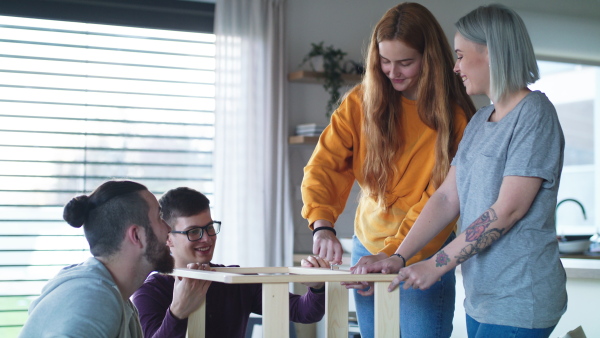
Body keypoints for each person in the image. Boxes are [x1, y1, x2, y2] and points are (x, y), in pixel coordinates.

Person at [355, 4, 567, 338]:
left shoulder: (534, 114)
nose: (455, 68)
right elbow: (446, 198)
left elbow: (507, 209)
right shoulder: (481, 121)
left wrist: (437, 264)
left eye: (461, 56)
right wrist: (399, 256)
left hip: (521, 297)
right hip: (482, 298)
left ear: (492, 54)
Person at [301, 3, 476, 337]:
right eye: (385, 61)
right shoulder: (360, 101)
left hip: (422, 248)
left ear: (430, 58)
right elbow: (326, 165)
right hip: (367, 247)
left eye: (405, 62)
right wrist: (321, 224)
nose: (393, 72)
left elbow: (439, 201)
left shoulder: (456, 120)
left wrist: (394, 253)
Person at [132, 187, 328, 338]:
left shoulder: (235, 280)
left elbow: (303, 312)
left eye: (210, 227)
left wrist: (317, 287)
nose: (207, 239)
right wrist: (177, 313)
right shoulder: (150, 291)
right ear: (167, 237)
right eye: (193, 232)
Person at [19, 180, 174, 338]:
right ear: (136, 235)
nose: (168, 228)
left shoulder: (114, 296)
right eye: (159, 217)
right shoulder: (94, 300)